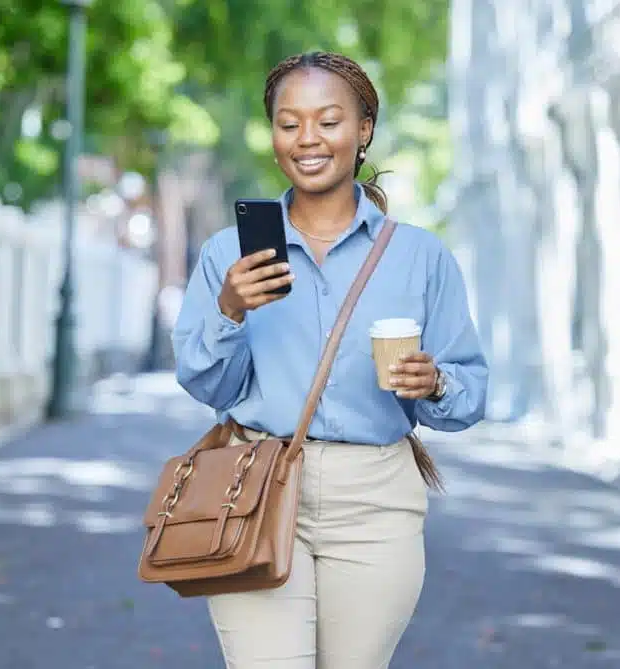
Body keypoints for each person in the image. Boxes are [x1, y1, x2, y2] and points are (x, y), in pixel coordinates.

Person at [171, 51, 488, 669]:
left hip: (376, 501)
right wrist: (230, 309)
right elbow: (209, 383)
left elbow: (470, 396)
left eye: (328, 121)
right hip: (254, 488)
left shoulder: (420, 258)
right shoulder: (228, 254)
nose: (307, 139)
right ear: (273, 137)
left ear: (363, 129)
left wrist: (435, 382)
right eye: (289, 124)